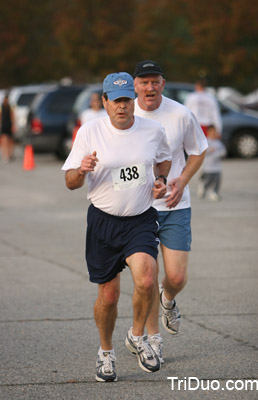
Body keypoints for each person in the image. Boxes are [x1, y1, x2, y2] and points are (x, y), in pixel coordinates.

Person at [62, 72, 172, 382]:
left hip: (140, 218)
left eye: (127, 100)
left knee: (148, 279)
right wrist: (82, 170)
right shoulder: (89, 132)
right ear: (105, 102)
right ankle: (106, 353)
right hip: (103, 221)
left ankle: (137, 336)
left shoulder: (153, 130)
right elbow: (70, 182)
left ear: (133, 102)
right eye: (116, 100)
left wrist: (161, 180)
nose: (122, 107)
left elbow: (163, 160)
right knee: (109, 297)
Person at [133, 60, 208, 364]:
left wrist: (181, 181)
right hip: (139, 210)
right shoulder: (124, 115)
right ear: (135, 85)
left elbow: (199, 149)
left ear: (163, 83)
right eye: (143, 82)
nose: (149, 88)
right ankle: (153, 339)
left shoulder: (180, 114)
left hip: (176, 205)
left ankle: (169, 299)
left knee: (175, 277)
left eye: (155, 81)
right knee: (148, 278)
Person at [197, 125, 226, 201]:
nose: (213, 133)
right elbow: (202, 152)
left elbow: (223, 151)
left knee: (217, 180)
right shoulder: (206, 142)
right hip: (208, 167)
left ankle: (214, 192)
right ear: (208, 132)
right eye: (212, 131)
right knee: (208, 181)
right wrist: (209, 150)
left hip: (217, 167)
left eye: (214, 131)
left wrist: (220, 154)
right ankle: (204, 187)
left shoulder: (218, 142)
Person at [0, 94, 15, 163]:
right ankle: (5, 155)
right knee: (4, 140)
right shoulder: (1, 107)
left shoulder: (10, 106)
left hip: (9, 125)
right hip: (3, 126)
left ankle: (9, 154)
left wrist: (13, 125)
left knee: (10, 140)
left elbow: (12, 116)